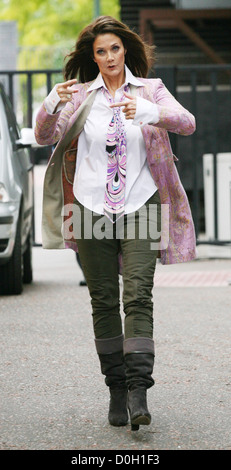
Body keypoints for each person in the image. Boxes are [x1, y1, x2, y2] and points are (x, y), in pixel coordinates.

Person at [35, 15, 196, 431]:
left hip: (141, 203)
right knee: (103, 299)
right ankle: (117, 389)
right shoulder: (80, 96)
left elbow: (188, 123)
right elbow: (43, 135)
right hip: (88, 207)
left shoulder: (150, 90)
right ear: (93, 57)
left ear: (127, 50)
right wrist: (51, 102)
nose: (109, 57)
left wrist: (147, 111)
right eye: (100, 51)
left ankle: (140, 391)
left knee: (139, 295)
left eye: (115, 49)